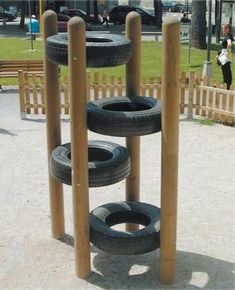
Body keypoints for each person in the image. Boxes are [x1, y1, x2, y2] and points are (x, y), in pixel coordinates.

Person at [217, 23, 234, 90]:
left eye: (225, 28)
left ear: (228, 29)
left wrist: (226, 52)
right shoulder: (228, 35)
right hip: (225, 55)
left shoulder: (228, 36)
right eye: (223, 28)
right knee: (227, 71)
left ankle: (226, 87)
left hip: (225, 56)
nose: (223, 29)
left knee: (225, 71)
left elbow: (229, 44)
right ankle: (228, 87)